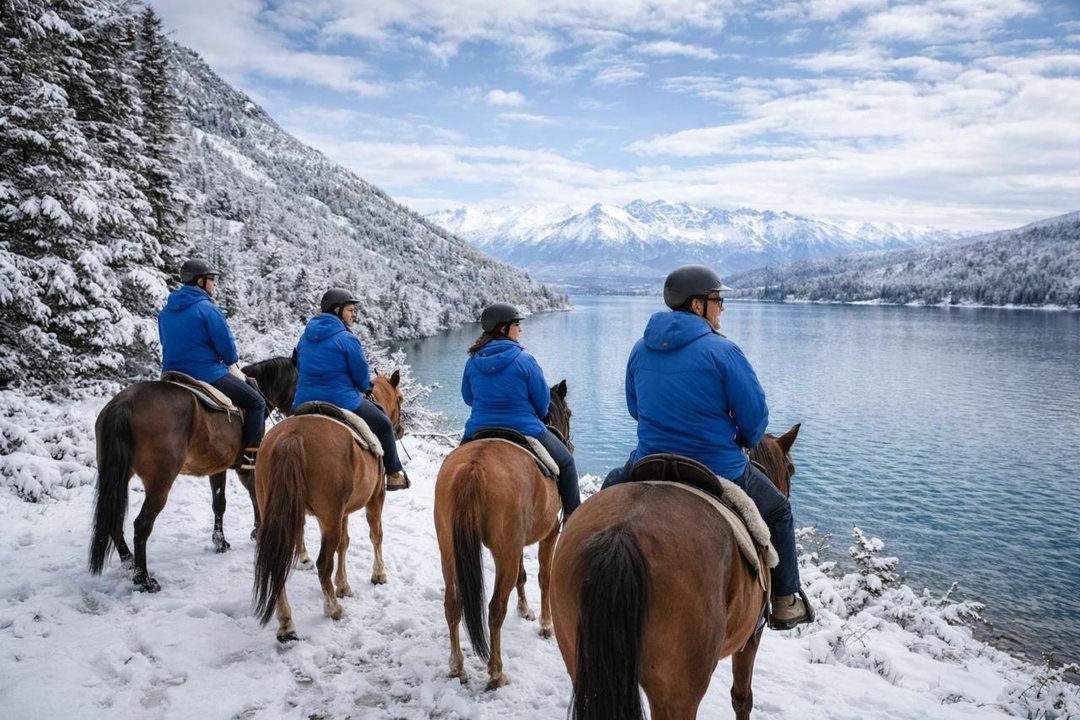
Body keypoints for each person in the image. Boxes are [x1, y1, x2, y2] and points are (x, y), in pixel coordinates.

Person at [602, 264, 814, 630]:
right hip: (719, 466)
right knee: (779, 512)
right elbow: (754, 420)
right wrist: (744, 441)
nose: (722, 308)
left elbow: (635, 408)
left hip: (649, 459)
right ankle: (784, 601)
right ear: (698, 305)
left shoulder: (640, 349)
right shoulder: (725, 352)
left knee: (606, 496)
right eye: (718, 300)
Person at [461, 302, 580, 519]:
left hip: (478, 429)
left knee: (453, 468)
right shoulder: (525, 360)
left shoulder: (473, 362)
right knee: (567, 463)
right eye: (516, 324)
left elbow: (468, 399)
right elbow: (543, 404)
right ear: (503, 328)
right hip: (525, 428)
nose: (520, 329)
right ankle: (572, 520)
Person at [291, 288, 408, 491]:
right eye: (351, 310)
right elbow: (361, 377)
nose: (354, 314)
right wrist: (365, 387)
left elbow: (298, 366)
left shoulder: (305, 337)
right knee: (383, 425)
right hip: (342, 400)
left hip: (304, 401)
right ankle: (393, 473)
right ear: (337, 310)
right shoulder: (347, 339)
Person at [158, 259, 265, 470]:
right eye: (212, 280)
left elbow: (165, 341)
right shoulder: (208, 309)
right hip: (206, 373)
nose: (214, 284)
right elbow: (227, 350)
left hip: (171, 373)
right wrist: (227, 360)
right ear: (200, 281)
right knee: (257, 403)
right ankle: (252, 458)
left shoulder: (166, 311)